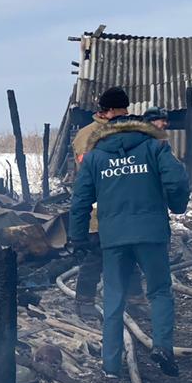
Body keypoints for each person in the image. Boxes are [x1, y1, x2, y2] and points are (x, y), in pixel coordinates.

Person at [69, 112, 190, 377]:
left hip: (113, 238)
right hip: (152, 235)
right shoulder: (155, 147)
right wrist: (177, 206)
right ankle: (162, 347)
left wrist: (77, 237)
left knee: (113, 297)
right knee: (159, 291)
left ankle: (110, 366)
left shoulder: (95, 157)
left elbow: (80, 201)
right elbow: (177, 179)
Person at [69, 87, 130, 323]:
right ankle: (84, 302)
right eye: (121, 110)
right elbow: (88, 171)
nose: (125, 114)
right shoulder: (88, 135)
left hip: (123, 207)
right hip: (98, 206)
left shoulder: (121, 131)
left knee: (129, 254)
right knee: (95, 256)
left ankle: (135, 300)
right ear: (108, 111)